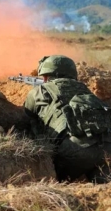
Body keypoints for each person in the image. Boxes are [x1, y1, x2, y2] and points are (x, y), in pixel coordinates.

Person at [24, 54, 111, 183]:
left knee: (55, 174)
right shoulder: (84, 89)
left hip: (74, 151)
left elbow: (27, 114)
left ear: (46, 75)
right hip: (106, 148)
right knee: (103, 184)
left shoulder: (41, 90)